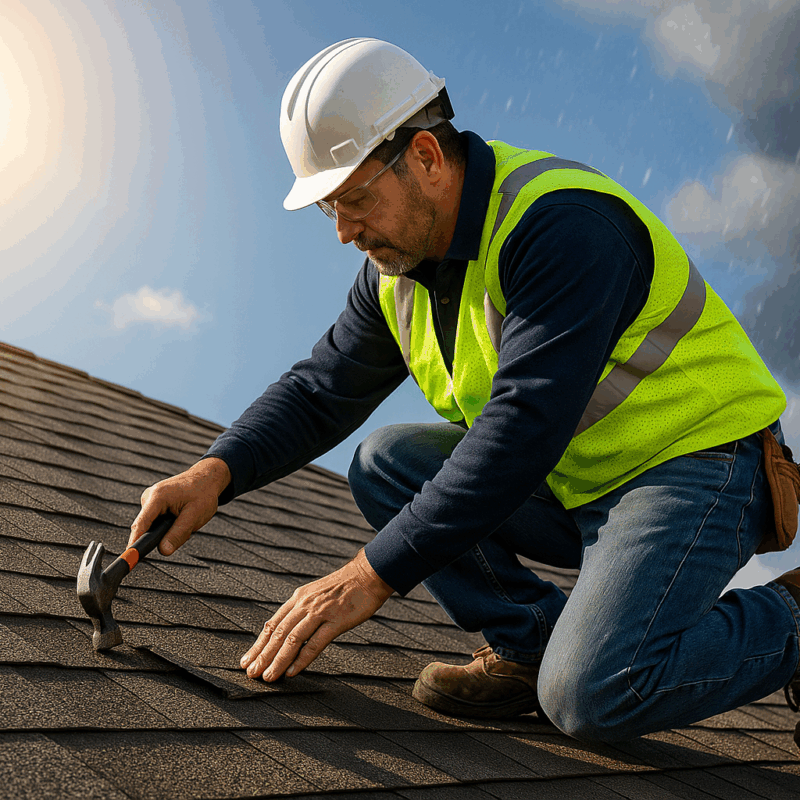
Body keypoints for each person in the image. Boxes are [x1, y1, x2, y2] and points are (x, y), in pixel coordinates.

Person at [130, 38, 800, 745]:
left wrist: (369, 574)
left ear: (425, 156)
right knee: (385, 459)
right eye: (330, 207)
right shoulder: (395, 269)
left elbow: (522, 428)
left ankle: (791, 622)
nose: (343, 232)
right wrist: (215, 470)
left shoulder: (564, 225)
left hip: (700, 468)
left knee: (593, 695)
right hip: (582, 483)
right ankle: (529, 643)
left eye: (355, 199)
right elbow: (322, 390)